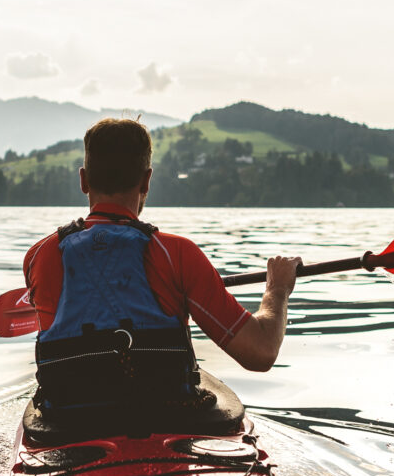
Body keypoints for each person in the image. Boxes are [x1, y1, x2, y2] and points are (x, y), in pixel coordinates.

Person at [22, 117, 301, 422]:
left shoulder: (39, 257)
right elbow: (260, 352)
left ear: (84, 180)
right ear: (146, 181)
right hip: (167, 418)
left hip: (67, 425)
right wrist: (277, 290)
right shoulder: (177, 255)